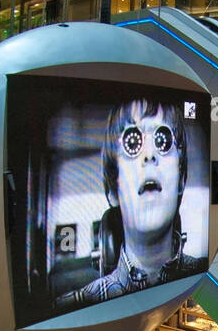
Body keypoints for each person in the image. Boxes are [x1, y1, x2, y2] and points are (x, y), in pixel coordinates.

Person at [54, 98, 207, 312]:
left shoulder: (205, 275)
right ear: (113, 191)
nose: (149, 155)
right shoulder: (73, 306)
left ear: (181, 179)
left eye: (162, 140)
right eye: (132, 143)